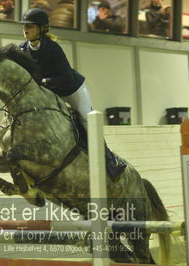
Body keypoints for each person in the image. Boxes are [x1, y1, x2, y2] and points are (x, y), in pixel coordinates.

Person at [18, 8, 126, 179]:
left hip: (72, 88)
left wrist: (44, 82)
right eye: (24, 26)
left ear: (41, 28)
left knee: (86, 119)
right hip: (50, 93)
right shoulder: (22, 49)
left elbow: (66, 78)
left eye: (30, 26)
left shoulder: (53, 48)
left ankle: (110, 159)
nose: (25, 29)